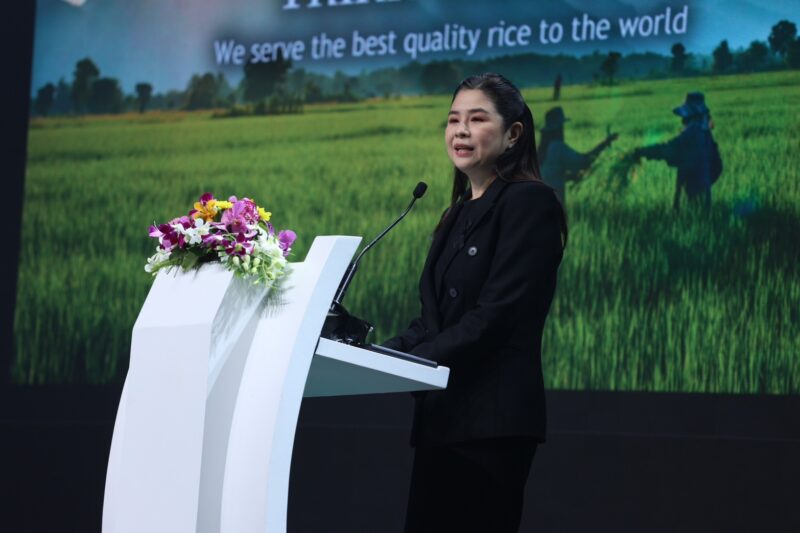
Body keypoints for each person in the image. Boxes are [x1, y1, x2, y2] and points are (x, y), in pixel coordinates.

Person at [382, 73, 567, 533]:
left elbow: (496, 316)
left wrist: (414, 364)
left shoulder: (530, 203)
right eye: (453, 120)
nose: (460, 131)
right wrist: (377, 355)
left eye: (477, 119)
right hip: (441, 421)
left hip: (491, 426)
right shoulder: (456, 213)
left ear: (513, 134)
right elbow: (433, 320)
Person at [633, 92, 722, 211]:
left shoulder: (693, 131)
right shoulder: (705, 132)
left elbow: (670, 149)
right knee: (701, 215)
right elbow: (717, 166)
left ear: (690, 114)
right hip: (703, 191)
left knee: (692, 216)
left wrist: (643, 152)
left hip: (692, 192)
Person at [537, 106, 618, 206]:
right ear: (558, 128)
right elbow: (583, 162)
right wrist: (605, 143)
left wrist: (571, 177)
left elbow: (549, 176)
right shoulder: (557, 147)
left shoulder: (542, 149)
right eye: (562, 126)